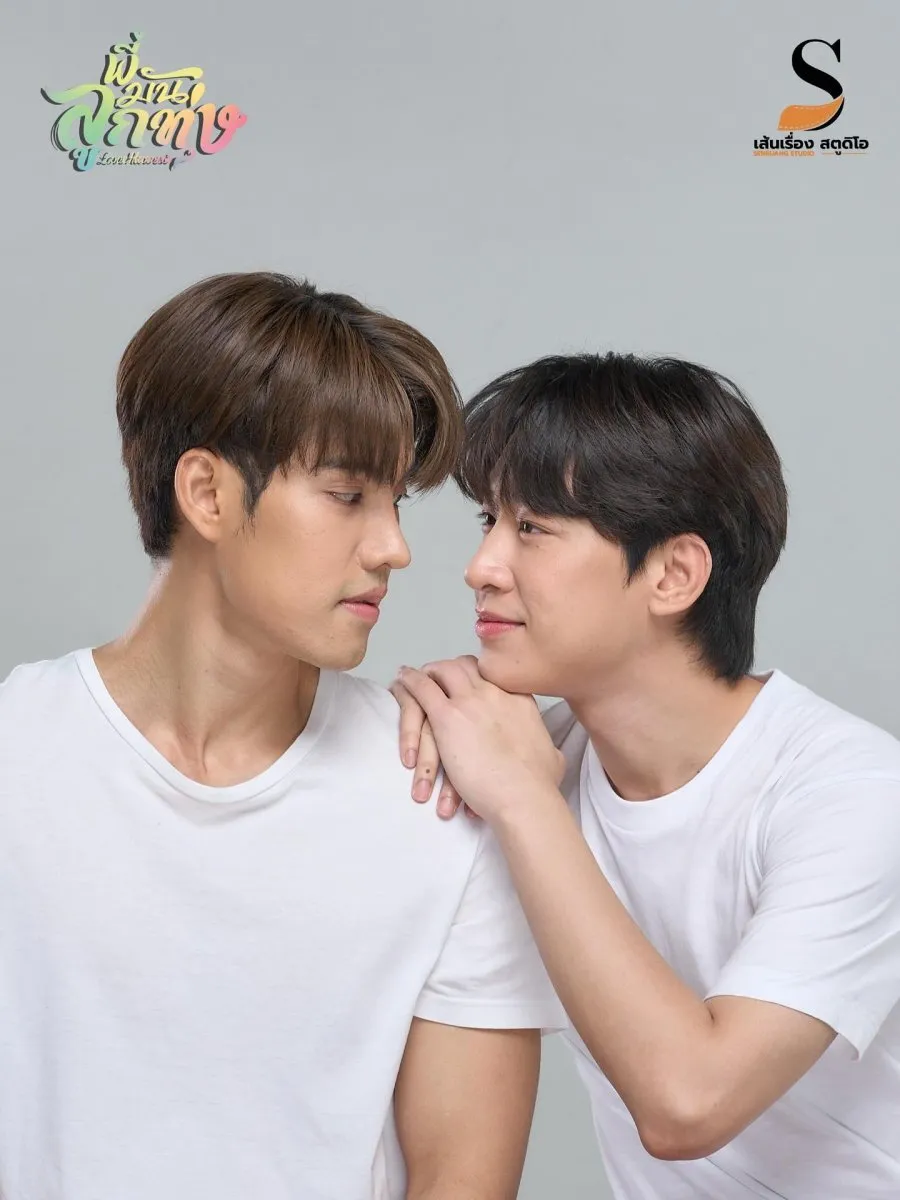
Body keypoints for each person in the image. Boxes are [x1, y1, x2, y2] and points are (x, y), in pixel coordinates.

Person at [0, 273, 564, 1200]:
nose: (395, 548)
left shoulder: (442, 795)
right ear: (207, 493)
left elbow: (464, 1180)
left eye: (396, 502)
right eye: (347, 495)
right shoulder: (19, 755)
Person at [392, 351, 900, 1199]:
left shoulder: (854, 795)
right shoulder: (527, 755)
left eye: (533, 529)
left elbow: (690, 1104)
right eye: (489, 520)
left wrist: (522, 798)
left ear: (674, 575)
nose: (481, 566)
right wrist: (432, 716)